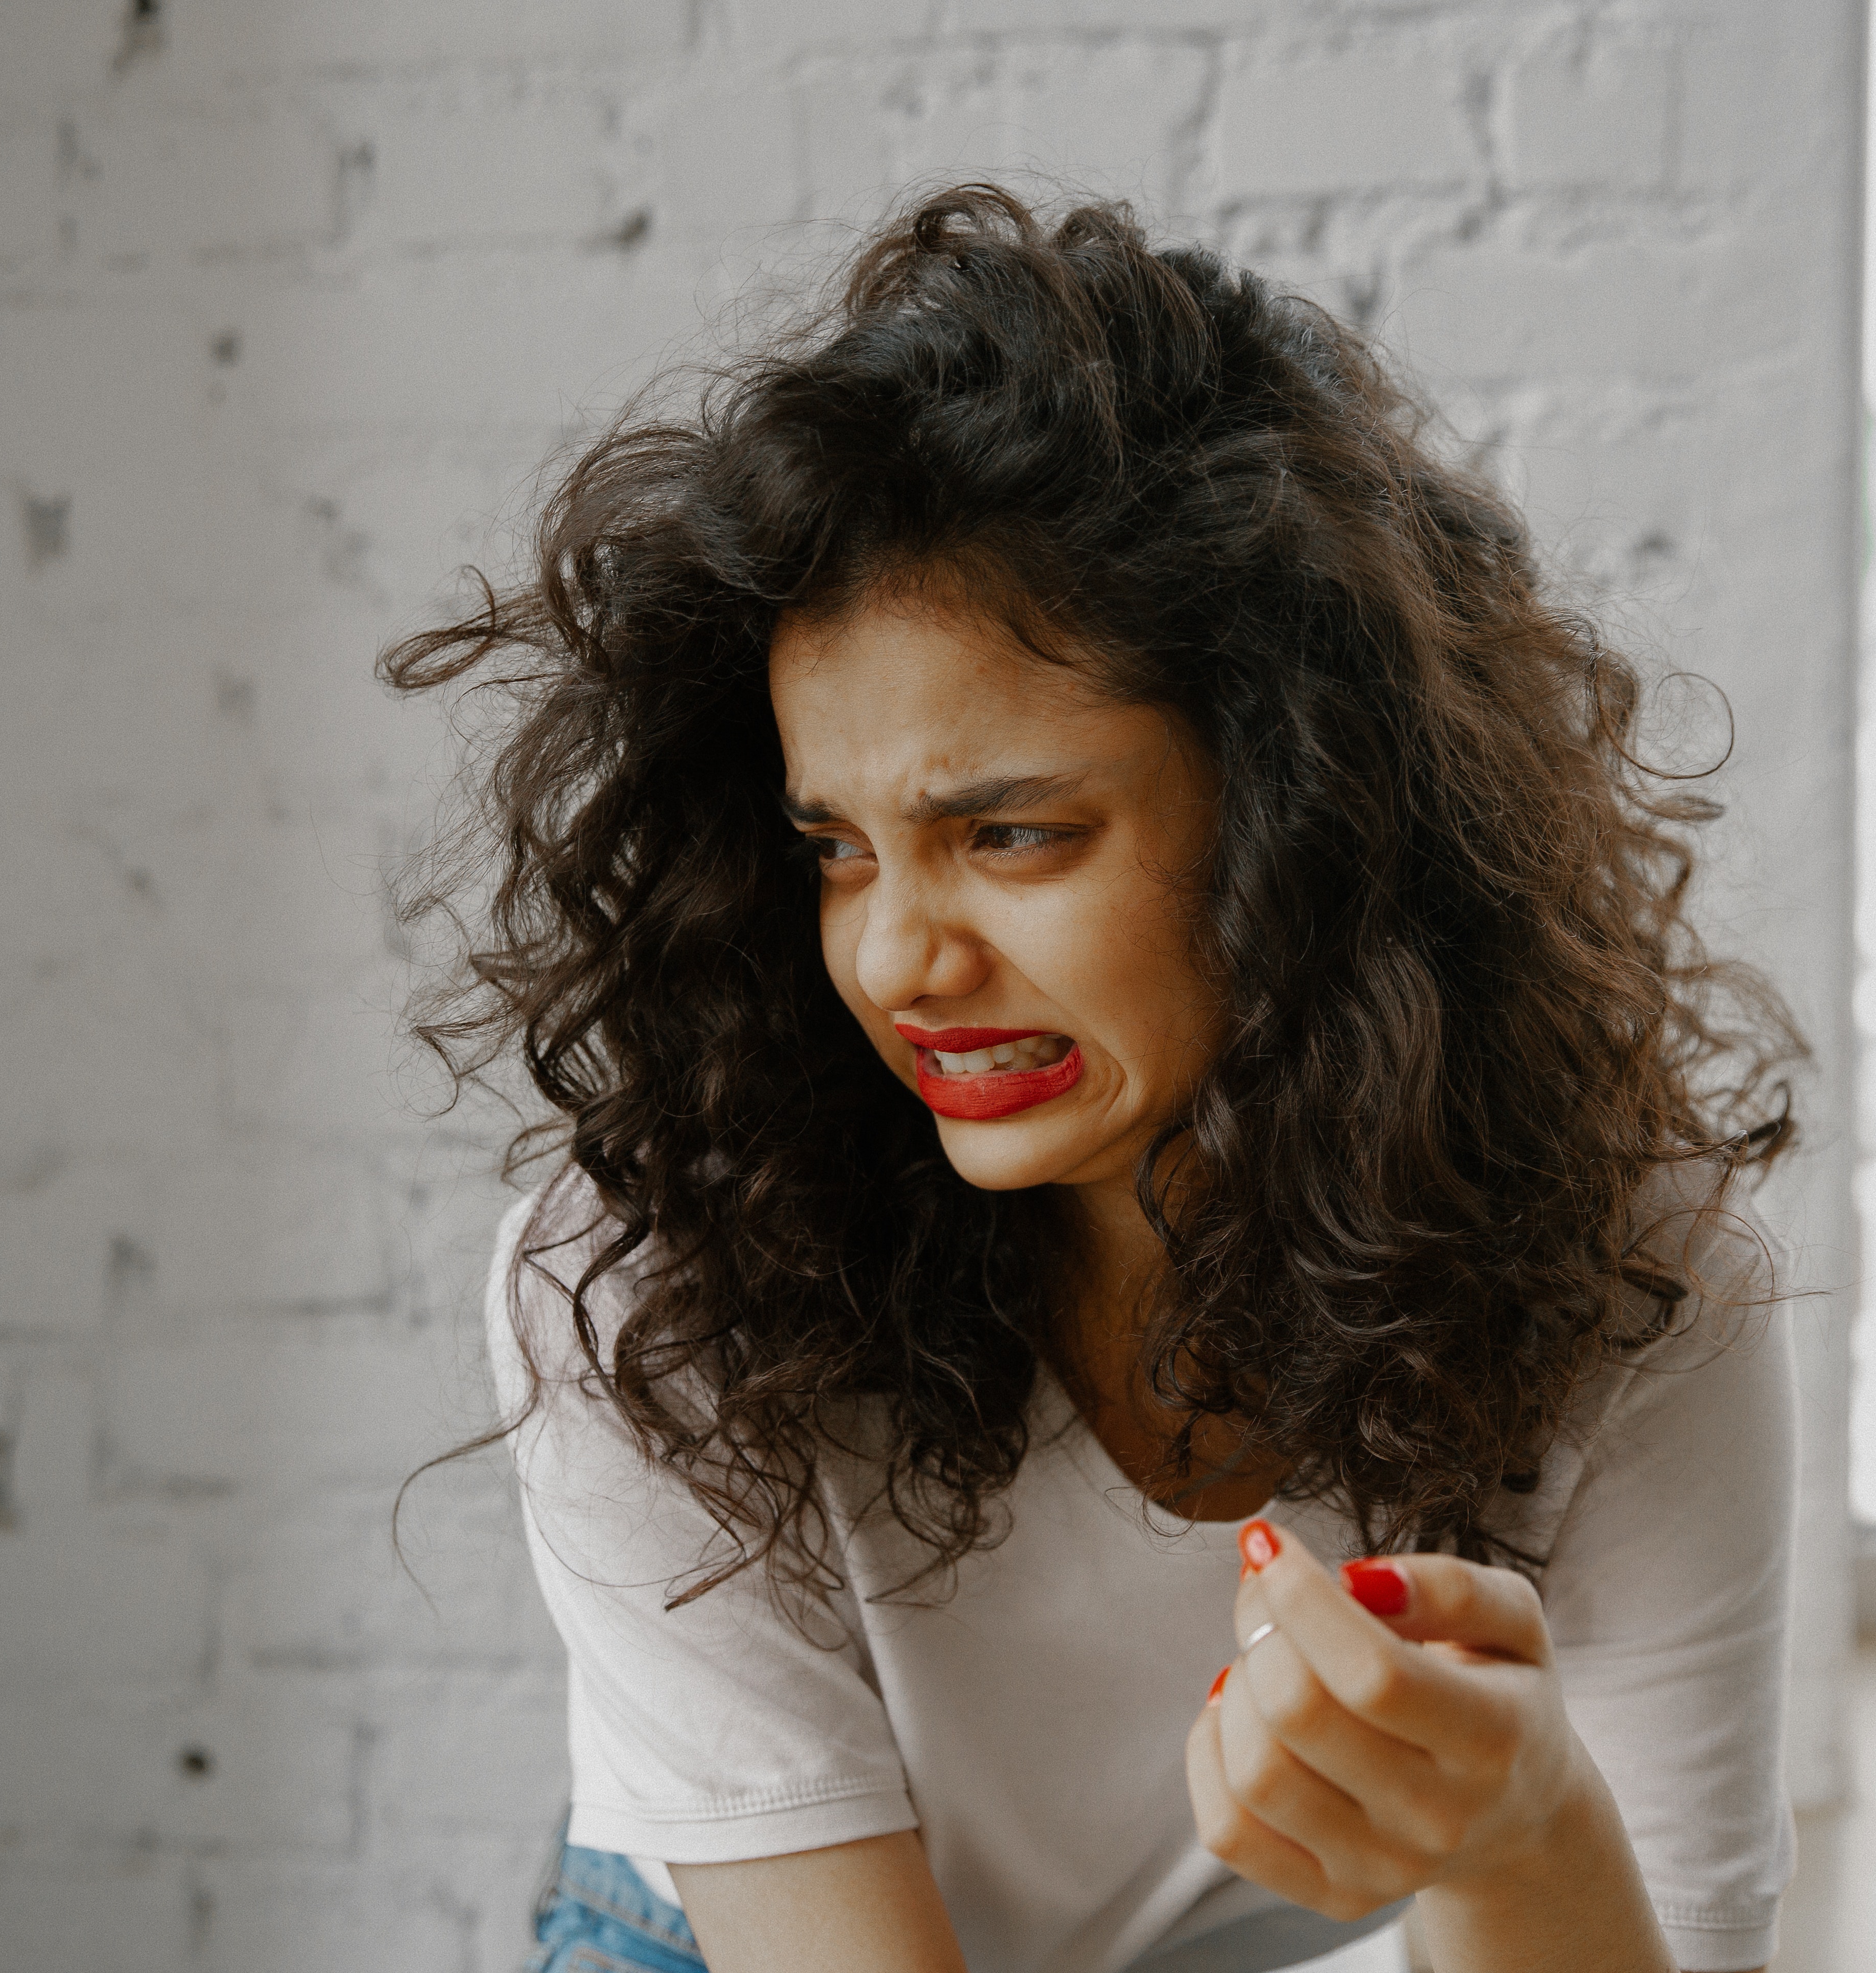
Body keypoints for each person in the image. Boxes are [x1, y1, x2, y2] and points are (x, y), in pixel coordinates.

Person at [383, 185, 1804, 1973]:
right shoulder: (643, 1279)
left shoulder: (1632, 1271)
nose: (895, 962)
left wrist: (1525, 1835)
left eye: (1012, 834)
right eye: (836, 849)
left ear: (1309, 814)